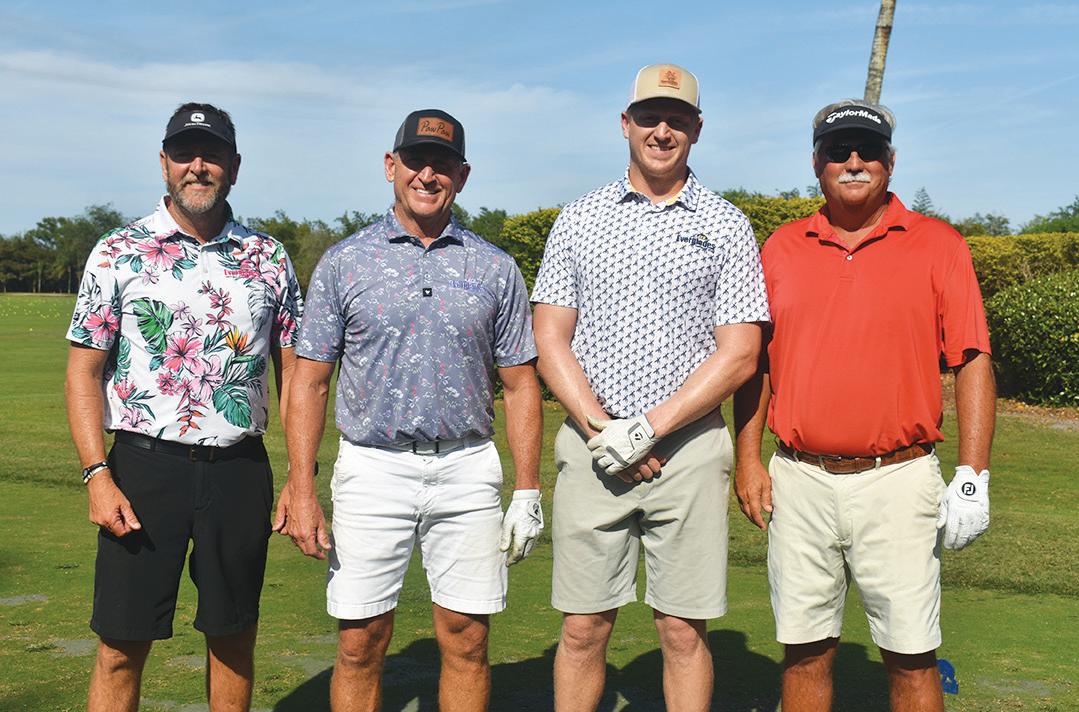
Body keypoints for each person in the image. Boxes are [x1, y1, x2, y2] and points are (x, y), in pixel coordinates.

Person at [274, 108, 543, 712]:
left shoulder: (494, 266)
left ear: (462, 176)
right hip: (372, 467)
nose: (428, 174)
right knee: (360, 641)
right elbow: (310, 381)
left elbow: (521, 384)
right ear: (391, 166)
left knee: (468, 639)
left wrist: (527, 489)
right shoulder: (345, 262)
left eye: (442, 164)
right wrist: (301, 485)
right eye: (416, 161)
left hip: (467, 467)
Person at [733, 99, 995, 712]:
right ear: (816, 163)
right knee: (804, 651)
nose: (854, 162)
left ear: (890, 162)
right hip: (798, 479)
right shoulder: (780, 247)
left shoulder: (939, 244)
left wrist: (973, 474)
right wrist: (748, 459)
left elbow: (972, 359)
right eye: (838, 151)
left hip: (899, 478)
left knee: (911, 656)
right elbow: (756, 364)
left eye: (868, 150)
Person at [531, 64, 769, 711]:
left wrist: (647, 429)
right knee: (582, 629)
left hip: (689, 453)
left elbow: (740, 353)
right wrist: (603, 429)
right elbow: (549, 337)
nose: (662, 131)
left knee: (682, 631)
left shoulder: (725, 224)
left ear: (697, 129)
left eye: (677, 120)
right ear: (625, 123)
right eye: (649, 117)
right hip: (592, 447)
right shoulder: (579, 218)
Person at [65, 102, 303, 712]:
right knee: (120, 645)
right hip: (142, 472)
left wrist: (300, 479)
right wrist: (96, 476)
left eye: (213, 155)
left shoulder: (269, 257)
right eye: (184, 154)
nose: (198, 166)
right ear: (164, 163)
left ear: (234, 166)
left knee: (233, 639)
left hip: (239, 471)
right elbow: (83, 371)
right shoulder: (118, 250)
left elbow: (296, 377)